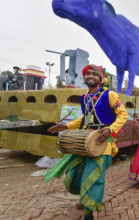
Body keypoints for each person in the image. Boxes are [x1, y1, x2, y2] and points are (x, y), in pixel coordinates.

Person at [48, 64, 128, 220]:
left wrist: (110, 129)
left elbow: (123, 115)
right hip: (84, 141)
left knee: (93, 177)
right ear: (84, 77)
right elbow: (84, 118)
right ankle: (85, 198)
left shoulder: (109, 95)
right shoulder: (84, 97)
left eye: (94, 74)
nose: (90, 76)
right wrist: (66, 125)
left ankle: (90, 211)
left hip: (102, 142)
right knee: (72, 176)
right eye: (87, 74)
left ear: (100, 78)